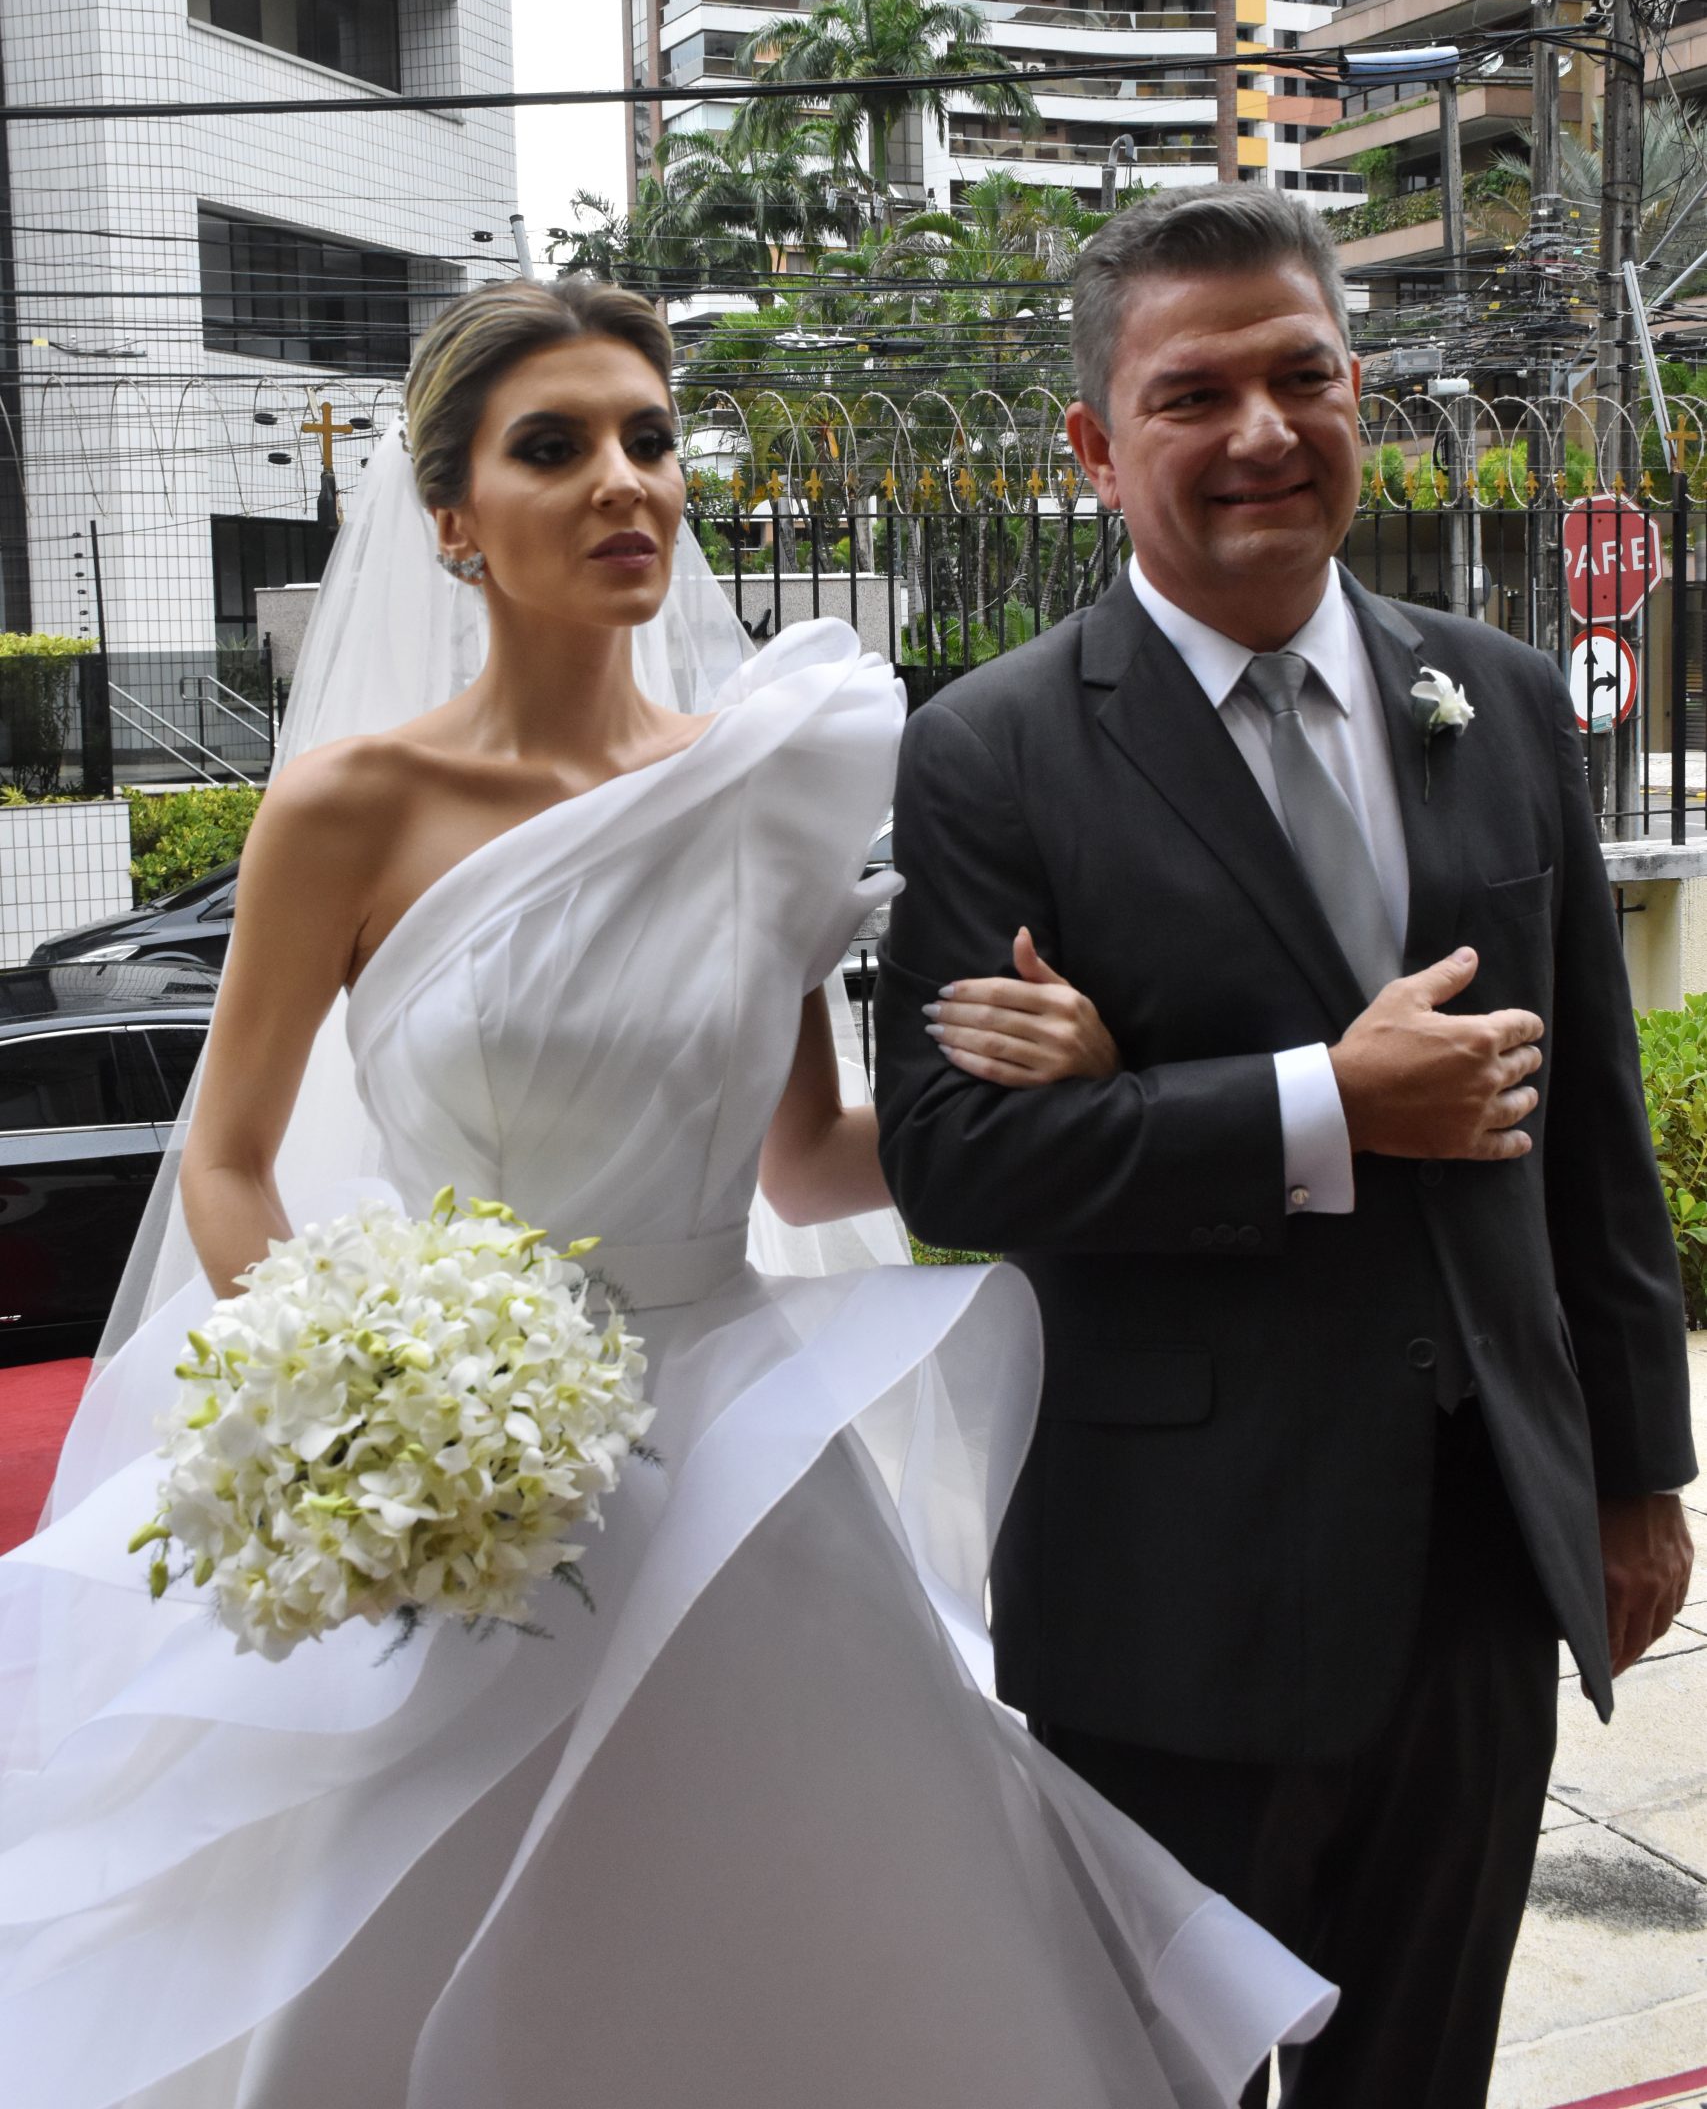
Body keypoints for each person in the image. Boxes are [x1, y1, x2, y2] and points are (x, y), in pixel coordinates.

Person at [0, 278, 1334, 2108]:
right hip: (446, 1480)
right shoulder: (345, 807)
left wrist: (1070, 1097)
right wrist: (353, 1409)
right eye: (554, 448)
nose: (624, 481)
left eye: (648, 438)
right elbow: (228, 1159)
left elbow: (811, 1159)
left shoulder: (759, 791)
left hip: (736, 1468)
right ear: (453, 520)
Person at [874, 186, 1698, 2109]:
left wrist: (1637, 1469)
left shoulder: (1496, 696)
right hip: (1173, 1578)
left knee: (1425, 2063)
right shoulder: (993, 752)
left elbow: (1590, 1125)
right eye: (1192, 395)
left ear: (1358, 394)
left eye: (1303, 377)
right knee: (1155, 2077)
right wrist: (1326, 1099)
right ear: (1097, 447)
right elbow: (952, 1158)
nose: (1261, 430)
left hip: (1476, 1550)